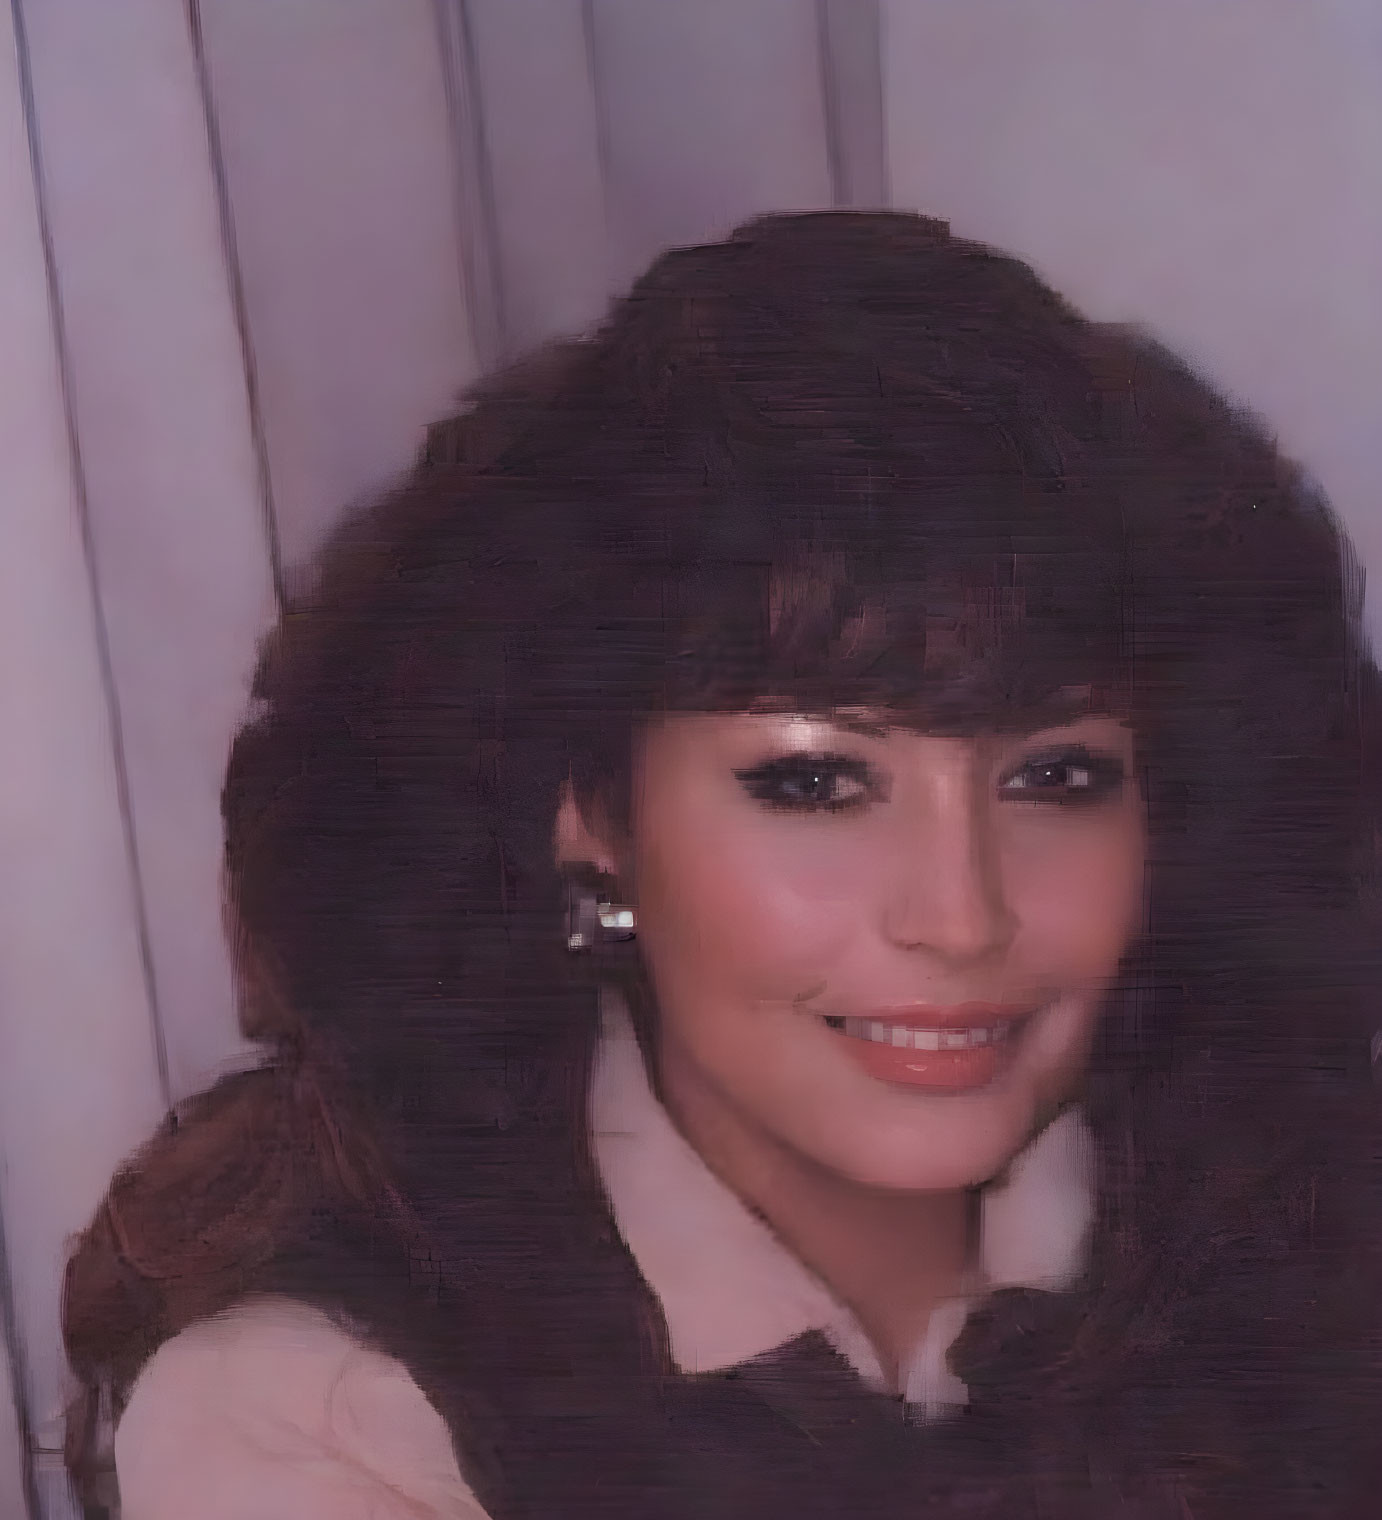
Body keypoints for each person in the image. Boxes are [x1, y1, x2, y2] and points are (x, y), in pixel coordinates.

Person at [62, 211, 1382, 1520]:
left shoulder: (1304, 1242)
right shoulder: (324, 1407)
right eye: (812, 782)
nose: (958, 914)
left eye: (1054, 778)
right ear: (587, 806)